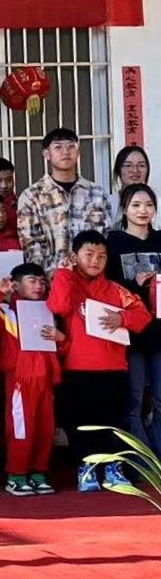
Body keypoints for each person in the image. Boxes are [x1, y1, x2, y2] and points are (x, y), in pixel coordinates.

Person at [48, 231, 153, 491]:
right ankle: (87, 467)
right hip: (77, 368)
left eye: (102, 256)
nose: (95, 261)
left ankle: (114, 468)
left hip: (113, 369)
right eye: (89, 255)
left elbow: (143, 316)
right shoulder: (68, 284)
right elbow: (59, 307)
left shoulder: (116, 289)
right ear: (74, 257)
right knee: (81, 423)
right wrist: (63, 274)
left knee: (114, 422)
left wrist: (123, 319)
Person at [0, 264, 63, 496]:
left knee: (45, 429)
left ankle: (38, 472)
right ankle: (16, 475)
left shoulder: (48, 309)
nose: (39, 286)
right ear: (16, 285)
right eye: (32, 281)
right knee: (21, 429)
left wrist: (61, 338)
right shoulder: (7, 312)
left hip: (45, 378)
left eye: (42, 282)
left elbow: (61, 345)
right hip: (20, 379)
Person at [106, 182, 161, 454]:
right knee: (135, 400)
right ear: (124, 209)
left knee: (160, 398)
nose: (143, 210)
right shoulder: (113, 242)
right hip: (129, 332)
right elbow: (107, 285)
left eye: (149, 205)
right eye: (136, 205)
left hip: (159, 330)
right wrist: (134, 285)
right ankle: (141, 460)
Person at [16, 128, 109, 272]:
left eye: (71, 146)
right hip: (51, 277)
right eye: (58, 147)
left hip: (91, 275)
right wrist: (50, 274)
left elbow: (105, 235)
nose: (66, 152)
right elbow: (31, 243)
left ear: (78, 152)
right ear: (47, 154)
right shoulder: (32, 195)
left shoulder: (96, 192)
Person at [109, 145, 151, 227]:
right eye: (128, 165)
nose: (135, 170)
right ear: (118, 170)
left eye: (141, 165)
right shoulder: (107, 204)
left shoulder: (158, 204)